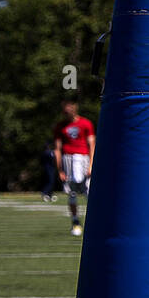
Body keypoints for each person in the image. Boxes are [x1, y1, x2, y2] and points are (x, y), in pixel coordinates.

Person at [53, 100, 95, 236]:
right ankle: (76, 223)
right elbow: (57, 149)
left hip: (83, 158)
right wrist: (60, 170)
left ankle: (96, 223)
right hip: (68, 160)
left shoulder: (85, 123)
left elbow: (92, 145)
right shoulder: (60, 126)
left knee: (89, 192)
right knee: (71, 193)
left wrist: (91, 165)